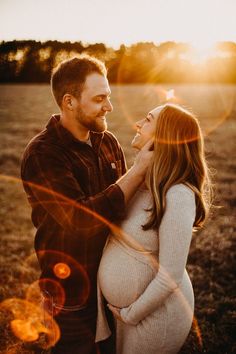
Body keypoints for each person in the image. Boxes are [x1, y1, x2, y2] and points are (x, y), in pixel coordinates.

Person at [21, 55, 153, 354]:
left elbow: (124, 207)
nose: (109, 106)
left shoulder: (107, 142)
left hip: (114, 279)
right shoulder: (43, 153)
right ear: (69, 102)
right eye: (99, 99)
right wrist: (138, 171)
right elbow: (79, 220)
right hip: (71, 288)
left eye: (108, 97)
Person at [96, 104, 212, 354]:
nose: (137, 123)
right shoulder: (139, 182)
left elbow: (171, 274)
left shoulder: (178, 194)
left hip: (155, 317)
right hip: (125, 314)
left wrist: (131, 314)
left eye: (147, 120)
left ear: (164, 137)